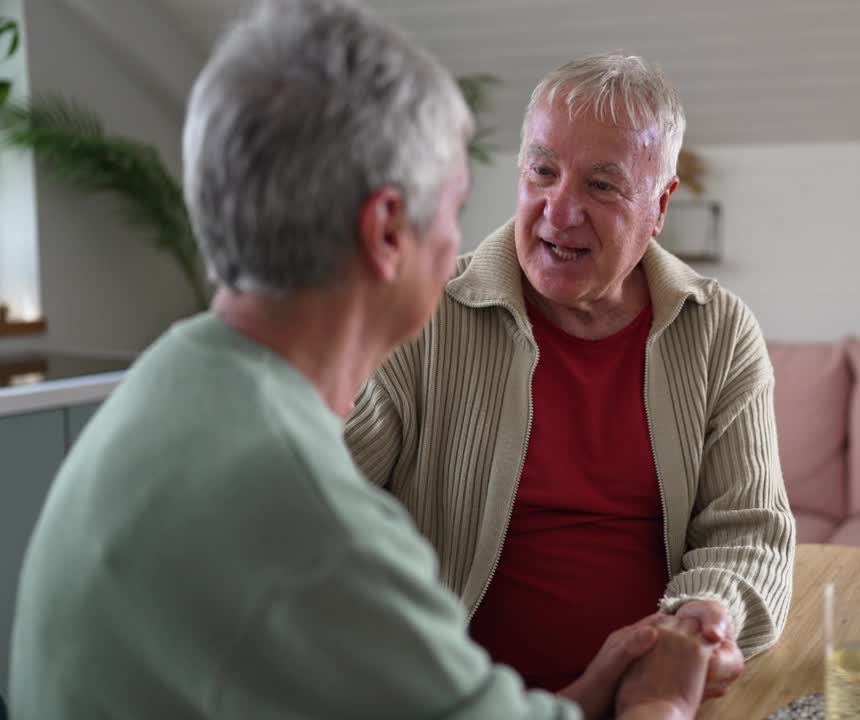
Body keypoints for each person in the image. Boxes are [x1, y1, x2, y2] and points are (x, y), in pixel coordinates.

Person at [7, 2, 714, 718]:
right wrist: (662, 700)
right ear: (384, 232)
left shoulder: (175, 379)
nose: (464, 244)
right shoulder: (309, 515)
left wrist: (586, 696)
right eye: (454, 205)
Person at [344, 52, 796, 696]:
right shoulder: (423, 312)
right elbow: (319, 499)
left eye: (602, 186)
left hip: (655, 695)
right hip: (459, 700)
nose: (560, 210)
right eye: (543, 172)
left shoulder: (719, 332)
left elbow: (751, 531)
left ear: (659, 204)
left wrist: (701, 621)